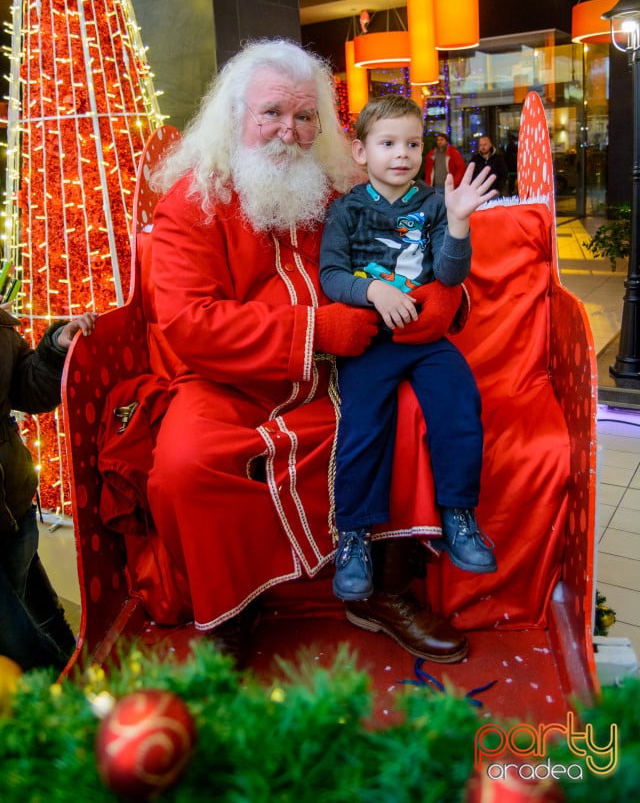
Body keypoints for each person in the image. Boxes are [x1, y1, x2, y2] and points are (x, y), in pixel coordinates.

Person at [146, 39, 475, 666]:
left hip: (336, 379)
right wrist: (316, 332)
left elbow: (415, 259)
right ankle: (232, 610)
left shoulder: (339, 193)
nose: (288, 132)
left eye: (304, 118)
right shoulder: (193, 201)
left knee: (407, 415)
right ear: (236, 116)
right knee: (185, 462)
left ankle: (383, 589)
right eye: (272, 112)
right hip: (228, 384)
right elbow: (189, 323)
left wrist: (443, 299)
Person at [319, 95, 498, 604]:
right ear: (361, 151)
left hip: (425, 338)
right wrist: (373, 290)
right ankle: (353, 535)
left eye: (412, 144)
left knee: (460, 402)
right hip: (373, 341)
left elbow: (449, 275)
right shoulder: (346, 210)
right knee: (362, 426)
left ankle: (459, 514)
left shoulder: (435, 204)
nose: (402, 154)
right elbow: (331, 275)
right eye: (388, 143)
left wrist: (459, 223)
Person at [1, 307, 98, 672]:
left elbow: (25, 386)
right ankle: (74, 715)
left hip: (13, 504)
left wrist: (56, 347)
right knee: (27, 652)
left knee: (49, 617)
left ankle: (88, 680)